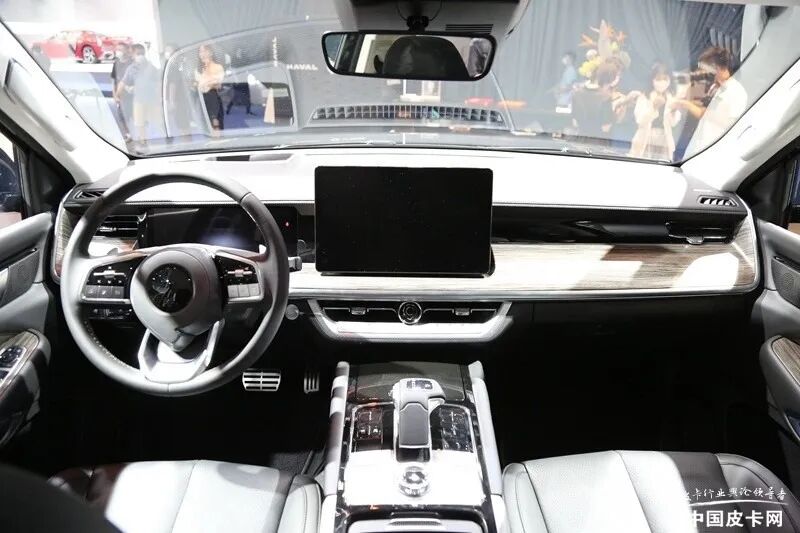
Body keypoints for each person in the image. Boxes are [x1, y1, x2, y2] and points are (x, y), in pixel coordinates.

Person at [674, 46, 747, 154]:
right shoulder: (715, 87)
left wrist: (686, 104)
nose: (702, 73)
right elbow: (706, 105)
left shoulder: (735, 91)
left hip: (719, 148)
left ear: (716, 68)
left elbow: (717, 117)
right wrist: (687, 102)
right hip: (702, 142)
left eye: (704, 69)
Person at [629, 63, 681, 160]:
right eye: (658, 79)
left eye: (665, 78)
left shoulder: (671, 97)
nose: (662, 82)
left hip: (664, 138)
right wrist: (653, 108)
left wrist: (674, 112)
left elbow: (673, 123)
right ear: (652, 80)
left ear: (670, 80)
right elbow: (640, 120)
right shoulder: (645, 96)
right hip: (646, 137)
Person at [120, 44, 163, 145]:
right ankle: (143, 142)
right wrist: (124, 91)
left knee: (158, 123)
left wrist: (160, 97)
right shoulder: (132, 68)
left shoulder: (151, 67)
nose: (139, 56)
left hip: (153, 100)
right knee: (140, 124)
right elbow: (124, 82)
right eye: (137, 54)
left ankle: (163, 141)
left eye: (141, 53)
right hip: (139, 100)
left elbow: (158, 82)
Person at [571, 60, 620, 142]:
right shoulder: (605, 97)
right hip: (599, 141)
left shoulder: (576, 93)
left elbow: (575, 122)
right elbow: (606, 128)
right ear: (611, 78)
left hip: (580, 139)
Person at [162, 44, 192, 138]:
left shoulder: (174, 67)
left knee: (183, 124)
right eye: (166, 51)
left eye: (169, 51)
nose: (167, 53)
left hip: (179, 99)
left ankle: (187, 142)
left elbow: (173, 85)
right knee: (180, 123)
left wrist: (171, 101)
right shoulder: (169, 65)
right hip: (178, 99)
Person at [195, 44, 225, 133]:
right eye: (200, 51)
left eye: (205, 51)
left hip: (213, 98)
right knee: (205, 126)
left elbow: (218, 85)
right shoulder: (198, 69)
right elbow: (198, 84)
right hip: (202, 99)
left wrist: (208, 84)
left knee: (215, 124)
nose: (202, 54)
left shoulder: (217, 67)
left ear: (211, 52)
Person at [111, 43, 133, 140]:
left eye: (121, 49)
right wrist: (114, 94)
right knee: (122, 116)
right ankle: (128, 134)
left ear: (127, 50)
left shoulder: (132, 63)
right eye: (118, 49)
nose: (119, 52)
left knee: (132, 116)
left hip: (131, 95)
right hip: (120, 95)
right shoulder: (116, 63)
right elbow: (113, 80)